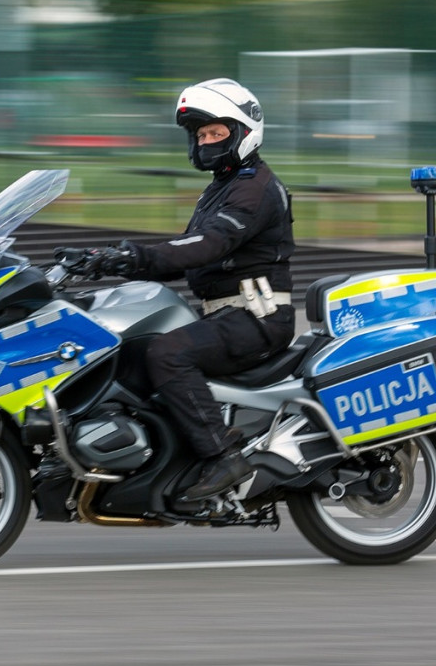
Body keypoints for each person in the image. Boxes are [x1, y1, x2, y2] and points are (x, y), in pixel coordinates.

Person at [75, 78, 295, 502]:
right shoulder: (221, 188)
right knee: (130, 349)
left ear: (244, 132)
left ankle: (223, 454)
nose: (207, 141)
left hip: (258, 319)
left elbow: (207, 245)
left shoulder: (256, 188)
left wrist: (130, 256)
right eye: (201, 135)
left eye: (216, 133)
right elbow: (184, 256)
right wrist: (99, 260)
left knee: (168, 353)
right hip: (226, 315)